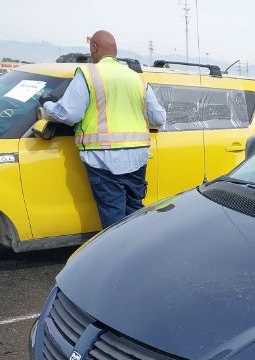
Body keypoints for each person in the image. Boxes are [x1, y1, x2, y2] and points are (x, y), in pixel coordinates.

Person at [40, 30, 166, 228]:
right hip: (138, 157)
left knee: (113, 219)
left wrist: (47, 105)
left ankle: (116, 255)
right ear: (115, 51)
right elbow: (158, 119)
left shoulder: (89, 74)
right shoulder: (137, 78)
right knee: (135, 212)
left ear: (95, 48)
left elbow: (70, 114)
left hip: (103, 160)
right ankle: (136, 253)